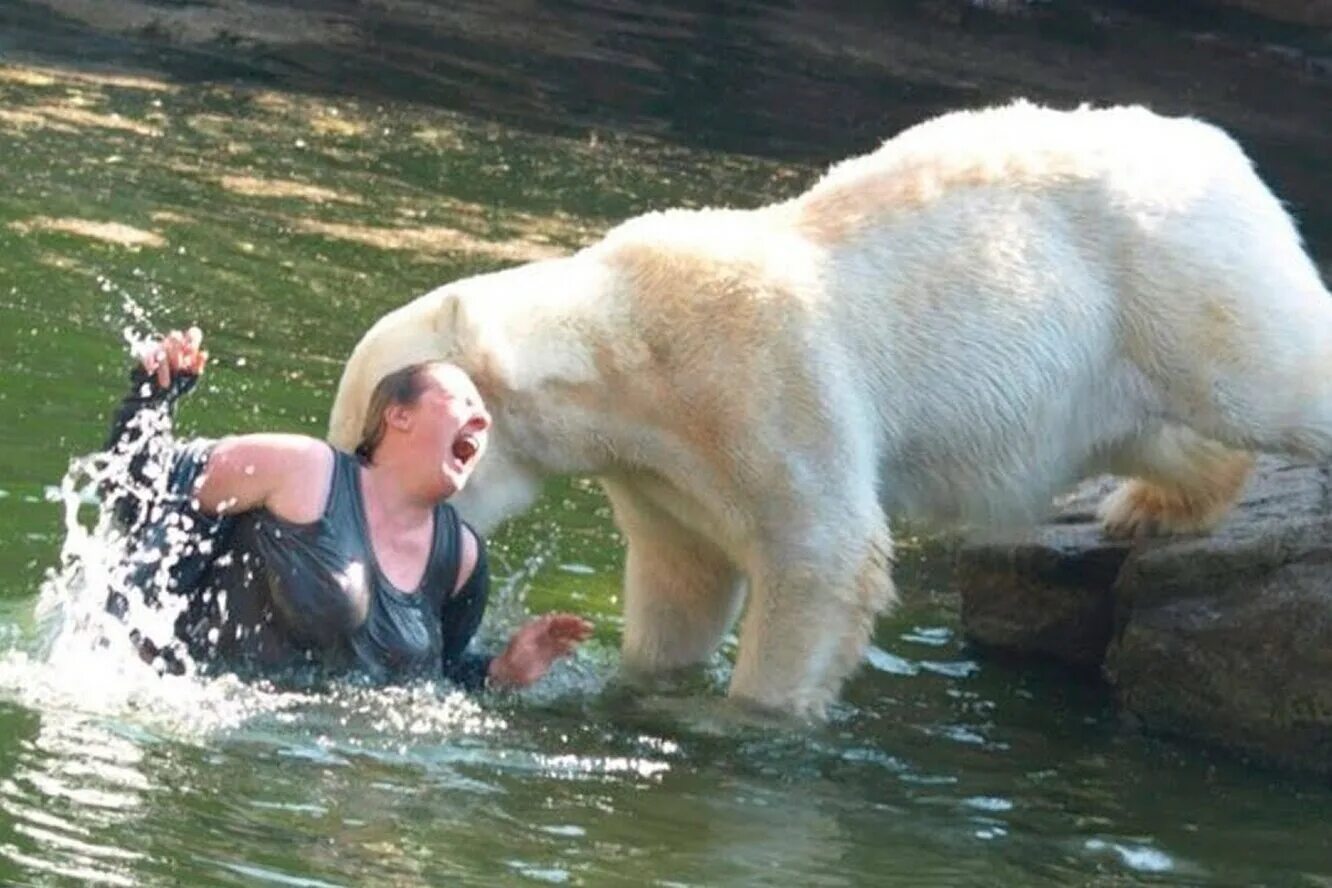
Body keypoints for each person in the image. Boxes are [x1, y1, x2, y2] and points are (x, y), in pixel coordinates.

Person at [102, 326, 593, 690]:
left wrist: (502, 672)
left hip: (318, 773)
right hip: (193, 720)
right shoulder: (301, 470)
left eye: (484, 418)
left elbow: (437, 680)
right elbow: (138, 490)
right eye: (462, 400)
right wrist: (155, 393)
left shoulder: (460, 557)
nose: (482, 419)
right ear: (396, 415)